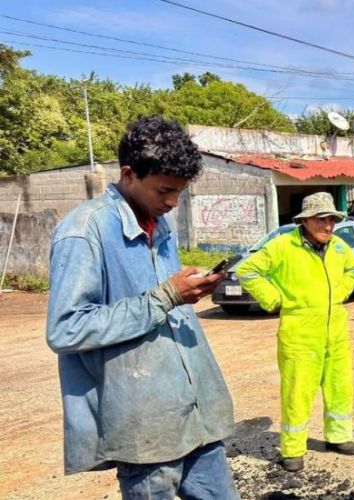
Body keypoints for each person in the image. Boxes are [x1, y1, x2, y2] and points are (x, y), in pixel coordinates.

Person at [46, 115, 238, 499]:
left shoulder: (157, 222)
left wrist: (188, 289)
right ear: (129, 174)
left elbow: (159, 299)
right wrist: (166, 296)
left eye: (180, 192)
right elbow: (66, 328)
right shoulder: (84, 231)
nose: (173, 202)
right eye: (164, 190)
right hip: (145, 423)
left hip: (194, 410)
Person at [237, 192, 354, 472]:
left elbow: (353, 268)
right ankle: (293, 449)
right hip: (299, 334)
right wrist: (273, 298)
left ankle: (338, 436)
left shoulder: (339, 248)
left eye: (332, 220)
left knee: (340, 387)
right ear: (305, 221)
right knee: (298, 392)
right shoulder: (283, 247)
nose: (328, 226)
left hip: (336, 330)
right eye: (321, 220)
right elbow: (247, 270)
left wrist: (342, 290)